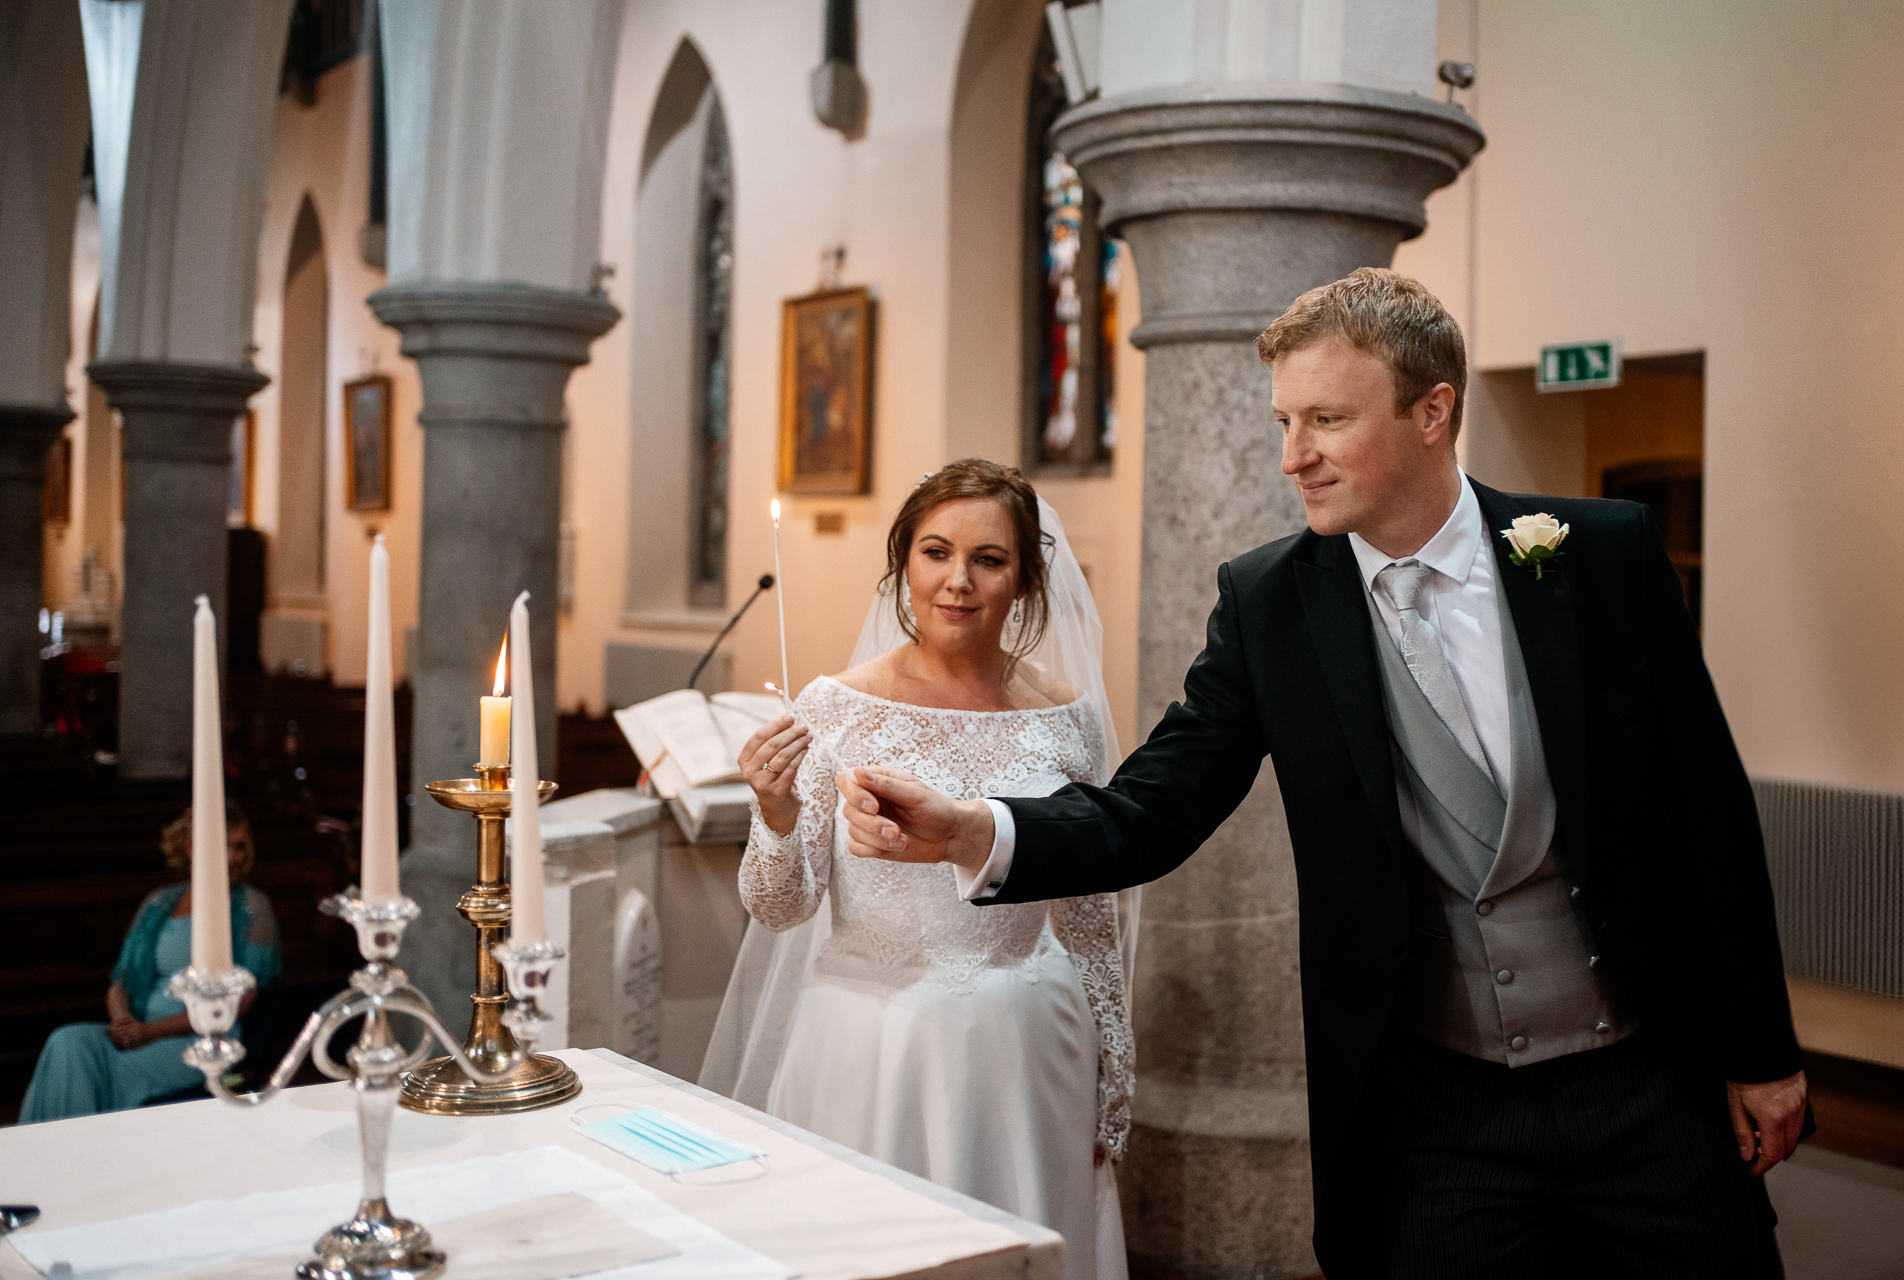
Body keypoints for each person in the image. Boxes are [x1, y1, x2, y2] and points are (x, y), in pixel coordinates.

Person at [835, 270, 1808, 1279]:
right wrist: (970, 828)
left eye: (1327, 420)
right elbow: (1152, 807)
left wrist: (1762, 1047)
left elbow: (1710, 813)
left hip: (1643, 1079)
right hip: (1440, 1107)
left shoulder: (1597, 557)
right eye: (1284, 420)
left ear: (1432, 412)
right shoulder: (1270, 606)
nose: (1292, 455)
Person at [700, 459, 1133, 1280]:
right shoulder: (837, 707)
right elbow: (780, 906)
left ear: (1026, 579)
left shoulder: (1066, 716)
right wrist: (776, 812)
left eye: (989, 560)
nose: (958, 582)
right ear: (904, 564)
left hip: (1029, 1042)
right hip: (873, 1045)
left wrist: (1115, 1067)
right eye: (935, 553)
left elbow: (1089, 914)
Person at [21, 805, 282, 1123]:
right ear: (191, 849)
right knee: (67, 1042)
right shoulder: (161, 902)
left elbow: (241, 1001)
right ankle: (52, 1157)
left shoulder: (253, 908)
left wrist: (150, 1032)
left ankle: (83, 1157)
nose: (234, 857)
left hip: (199, 1043)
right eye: (223, 846)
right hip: (137, 1029)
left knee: (91, 1071)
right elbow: (121, 982)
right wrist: (122, 1021)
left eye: (240, 846)